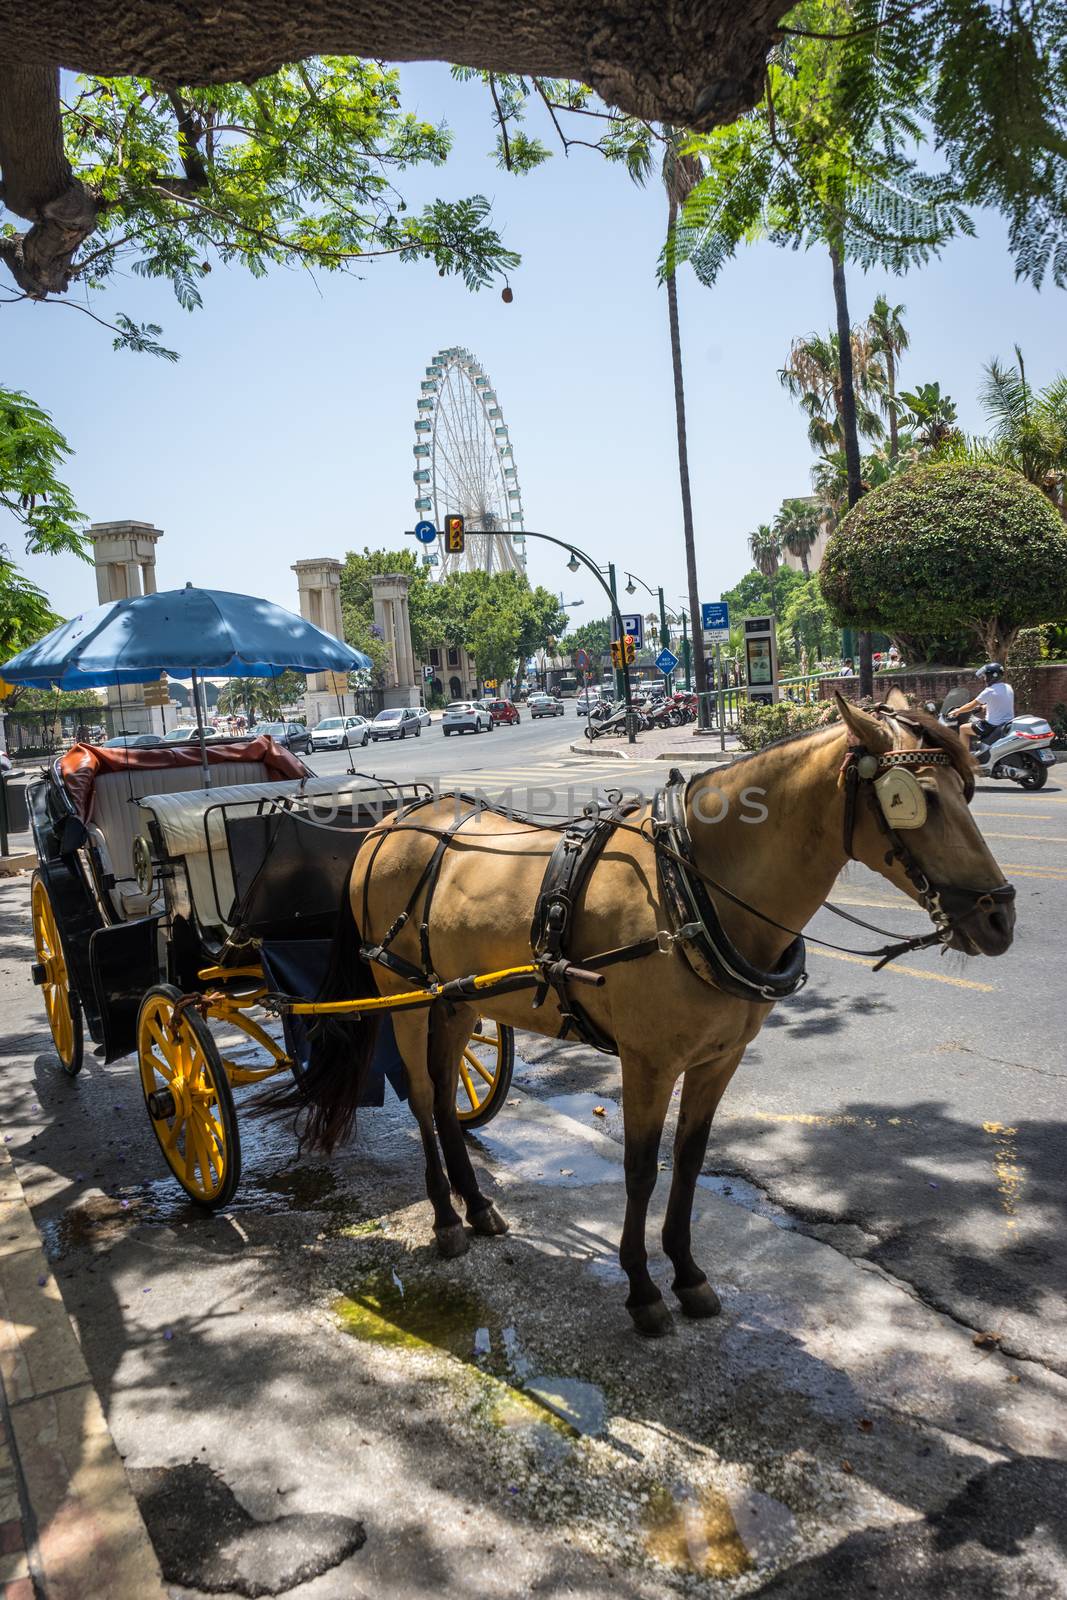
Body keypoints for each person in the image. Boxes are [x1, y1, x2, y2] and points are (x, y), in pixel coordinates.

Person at [948, 663, 1015, 751]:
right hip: (1008, 723)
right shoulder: (1008, 687)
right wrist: (985, 706)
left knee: (963, 729)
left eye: (985, 676)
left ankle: (964, 758)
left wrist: (957, 711)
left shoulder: (989, 691)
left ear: (991, 676)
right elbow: (1002, 701)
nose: (984, 678)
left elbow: (971, 705)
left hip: (992, 726)